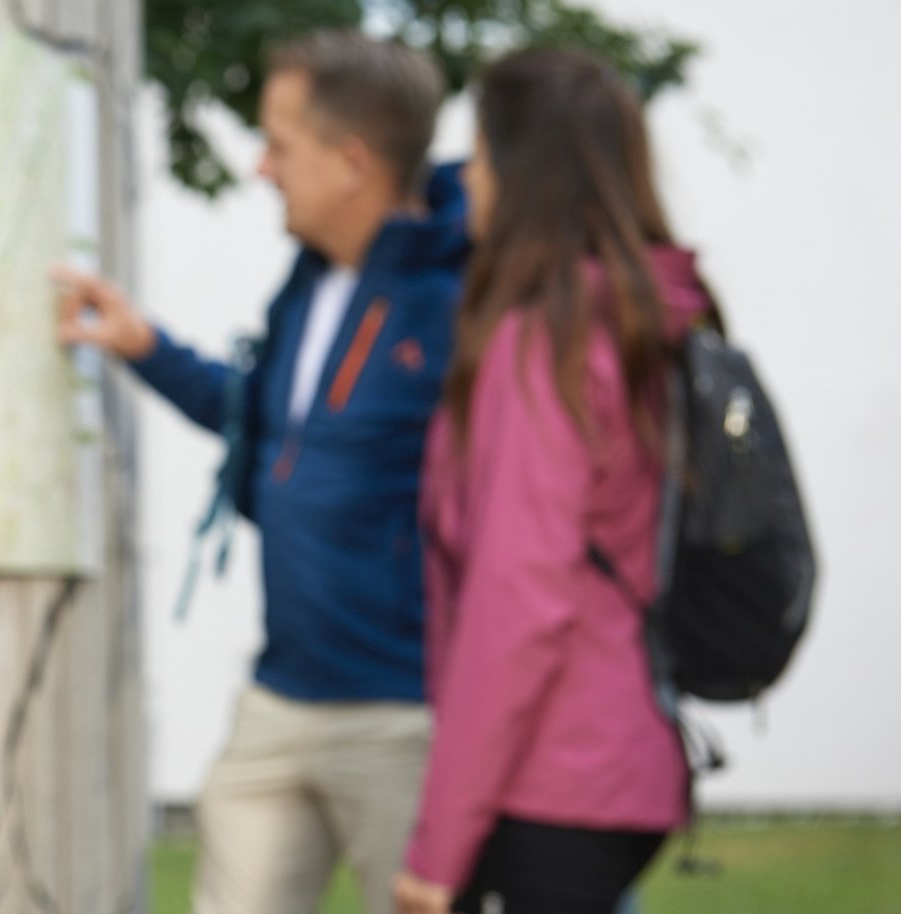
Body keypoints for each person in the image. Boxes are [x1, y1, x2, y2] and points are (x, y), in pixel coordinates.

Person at [55, 31, 464, 914]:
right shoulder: (309, 284)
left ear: (352, 162)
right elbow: (267, 427)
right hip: (281, 698)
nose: (261, 168)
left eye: (281, 144)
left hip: (407, 714)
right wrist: (148, 348)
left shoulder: (455, 305)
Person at [392, 49, 699, 914]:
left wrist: (437, 851)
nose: (469, 177)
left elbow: (517, 602)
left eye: (482, 153)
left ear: (523, 172)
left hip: (550, 785)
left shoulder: (545, 341)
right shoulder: (641, 315)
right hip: (621, 763)